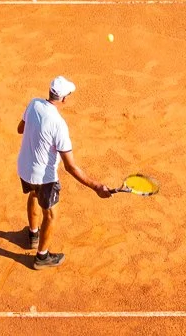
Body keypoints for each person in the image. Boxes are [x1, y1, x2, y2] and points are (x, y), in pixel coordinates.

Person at [16, 75, 112, 268]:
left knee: (33, 195)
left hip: (24, 167)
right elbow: (70, 166)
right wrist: (96, 186)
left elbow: (20, 129)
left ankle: (33, 235)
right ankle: (42, 257)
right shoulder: (58, 125)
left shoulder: (33, 103)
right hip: (44, 178)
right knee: (50, 215)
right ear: (65, 99)